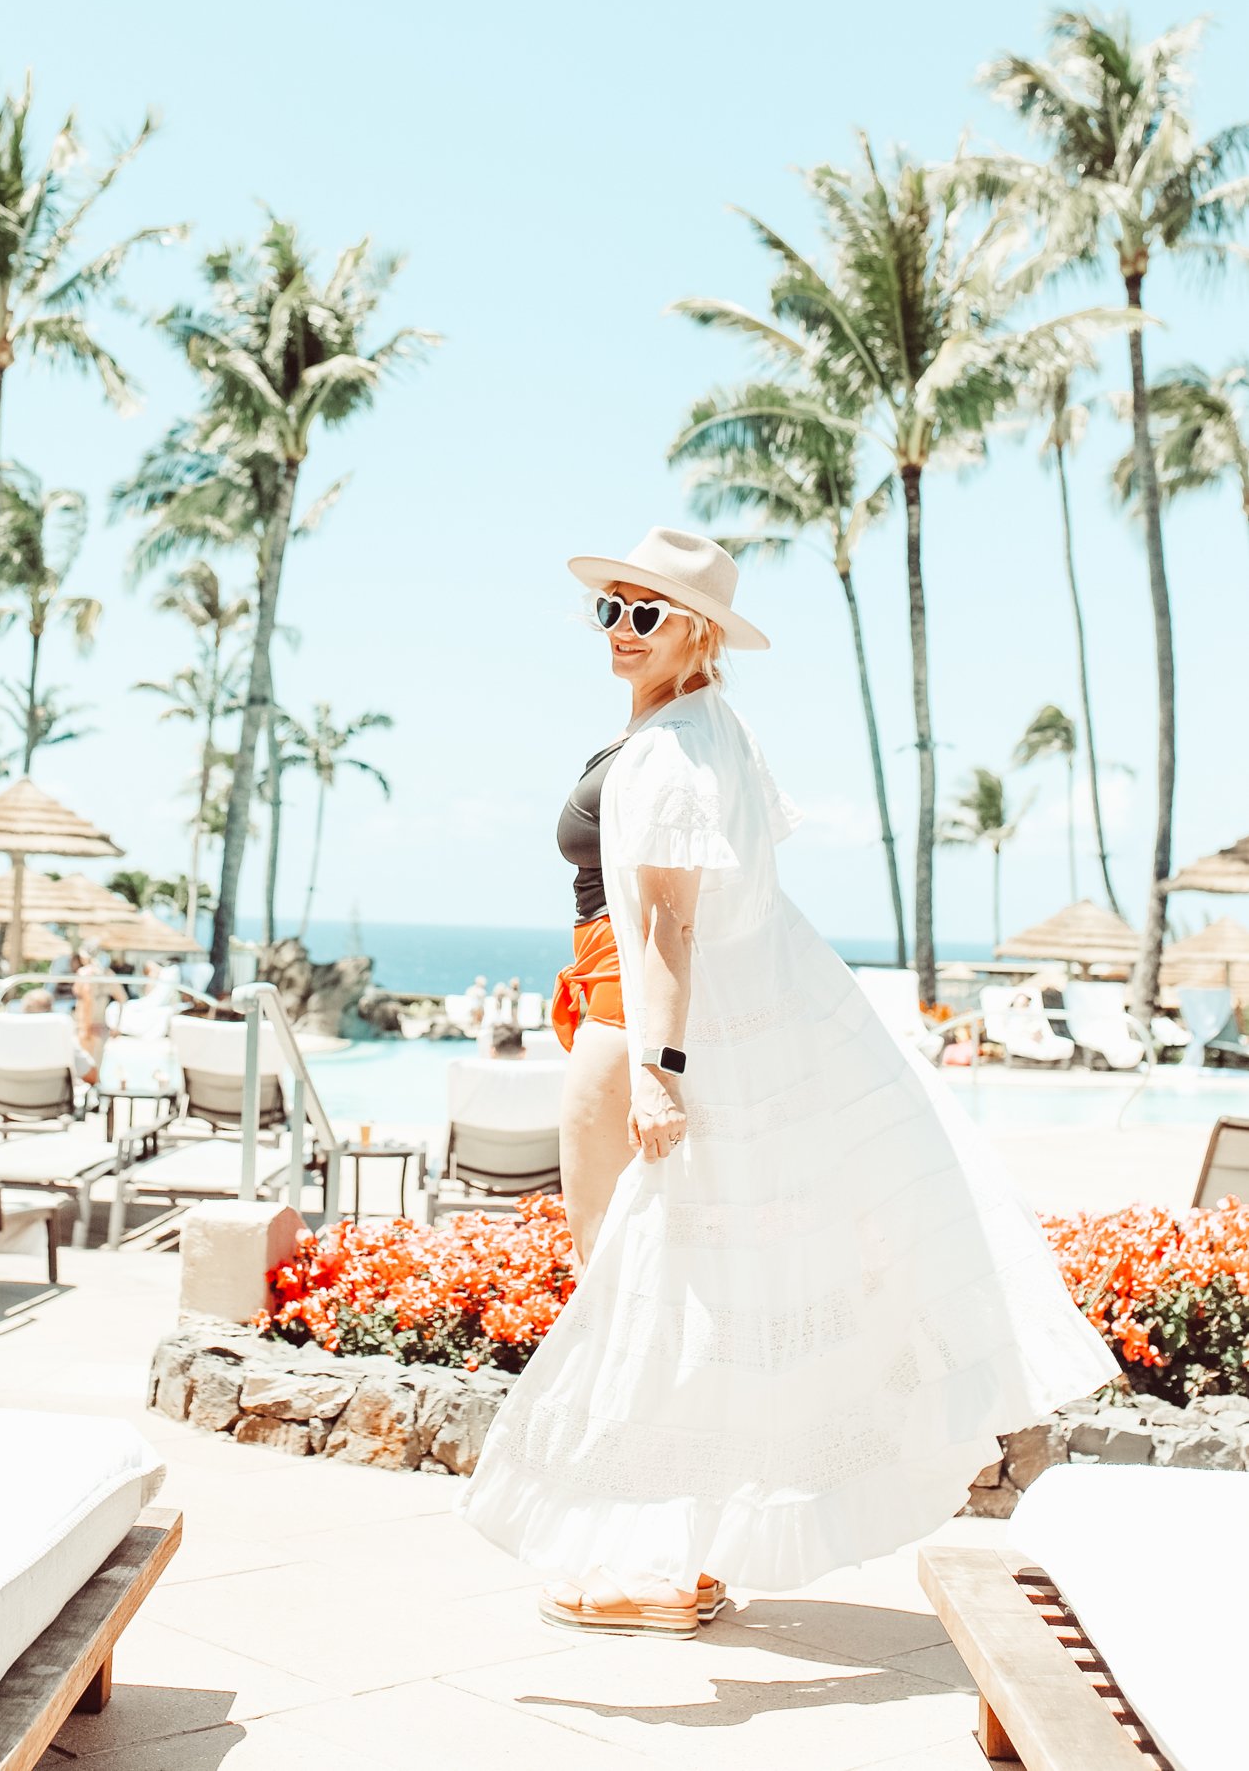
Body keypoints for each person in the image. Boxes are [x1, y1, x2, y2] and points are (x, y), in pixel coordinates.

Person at [459, 526, 1119, 1639]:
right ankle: (679, 1557)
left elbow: (671, 925)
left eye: (646, 612)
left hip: (631, 1036)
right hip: (618, 1016)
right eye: (609, 608)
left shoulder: (672, 752)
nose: (621, 629)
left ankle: (654, 1570)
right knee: (663, 1305)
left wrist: (657, 1074)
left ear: (700, 632)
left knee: (634, 1308)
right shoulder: (706, 732)